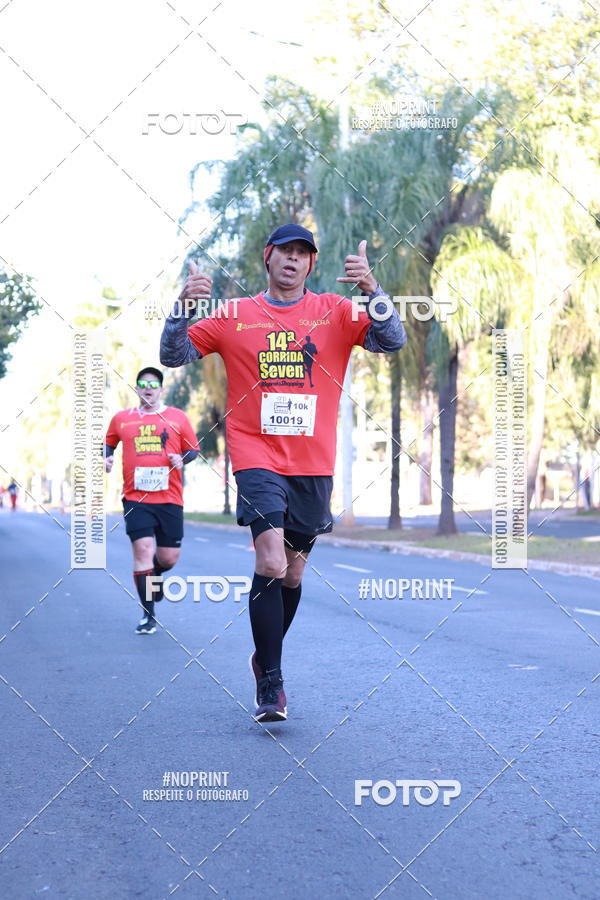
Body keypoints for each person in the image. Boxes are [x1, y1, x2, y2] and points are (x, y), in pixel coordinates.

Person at [160, 223, 406, 721]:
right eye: (285, 252)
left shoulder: (335, 312)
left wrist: (373, 291)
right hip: (255, 456)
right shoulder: (235, 316)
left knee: (292, 571)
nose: (293, 260)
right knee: (270, 560)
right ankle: (271, 682)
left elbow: (391, 340)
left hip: (313, 463)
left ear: (311, 265)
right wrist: (182, 306)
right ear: (268, 258)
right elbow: (172, 356)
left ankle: (263, 655)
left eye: (303, 254)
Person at [105, 367, 199, 634]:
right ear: (136, 388)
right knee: (143, 551)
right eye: (143, 384)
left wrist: (182, 460)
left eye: (153, 384)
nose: (148, 388)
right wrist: (107, 457)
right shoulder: (121, 419)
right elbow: (109, 442)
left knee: (168, 558)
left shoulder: (177, 418)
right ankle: (148, 615)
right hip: (136, 498)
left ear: (161, 389)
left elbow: (192, 450)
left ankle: (155, 576)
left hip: (170, 497)